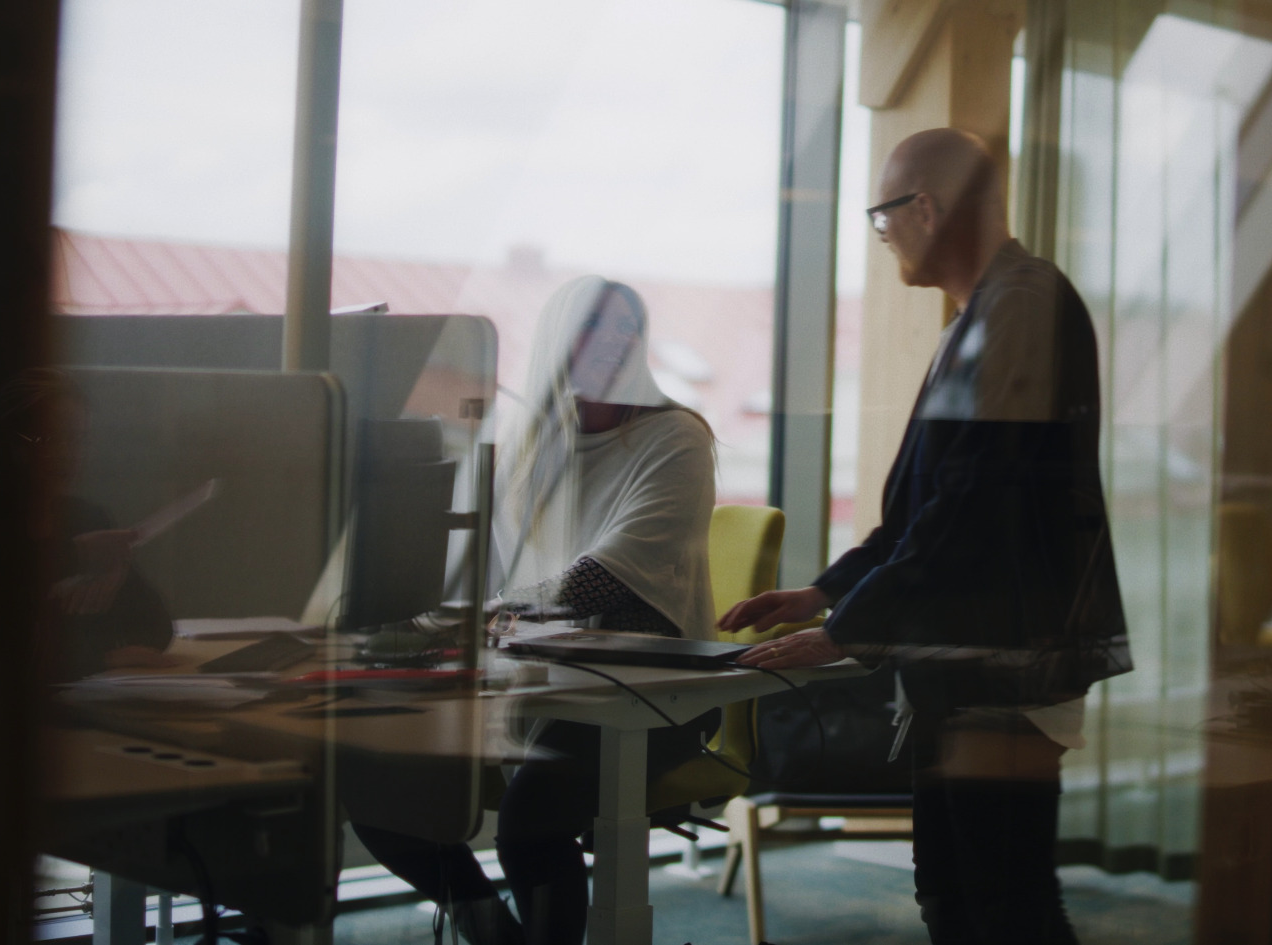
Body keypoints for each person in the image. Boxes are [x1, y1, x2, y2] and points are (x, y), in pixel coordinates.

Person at [720, 128, 1133, 945]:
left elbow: (969, 508)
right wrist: (826, 592)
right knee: (955, 894)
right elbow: (926, 509)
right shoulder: (984, 311)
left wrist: (843, 632)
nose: (882, 240)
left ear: (926, 208)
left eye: (882, 219)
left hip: (1005, 663)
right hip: (971, 656)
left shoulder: (1020, 304)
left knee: (1002, 901)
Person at [350, 277, 719, 945]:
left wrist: (479, 614)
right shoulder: (525, 444)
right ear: (556, 343)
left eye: (623, 331)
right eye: (590, 330)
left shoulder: (676, 438)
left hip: (648, 697)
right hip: (533, 688)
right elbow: (471, 570)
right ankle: (493, 932)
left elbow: (601, 582)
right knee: (377, 789)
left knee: (530, 824)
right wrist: (419, 620)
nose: (609, 345)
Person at [0, 368, 177, 681]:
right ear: (12, 442)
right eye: (50, 437)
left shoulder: (86, 518)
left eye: (77, 439)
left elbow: (157, 629)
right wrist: (105, 658)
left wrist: (118, 574)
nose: (67, 454)